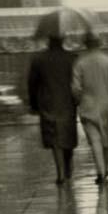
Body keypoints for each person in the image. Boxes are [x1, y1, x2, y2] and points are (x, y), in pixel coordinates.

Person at [28, 36, 78, 186]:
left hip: (48, 103)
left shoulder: (39, 59)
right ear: (63, 41)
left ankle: (60, 173)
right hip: (68, 103)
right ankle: (68, 167)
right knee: (68, 135)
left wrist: (33, 103)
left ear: (48, 41)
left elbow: (32, 83)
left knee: (54, 138)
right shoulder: (72, 58)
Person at [72, 34, 108, 185]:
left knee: (95, 140)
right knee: (106, 137)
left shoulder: (80, 63)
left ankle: (101, 172)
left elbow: (75, 88)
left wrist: (78, 100)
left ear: (86, 45)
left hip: (87, 105)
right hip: (106, 103)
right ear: (99, 44)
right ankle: (105, 168)